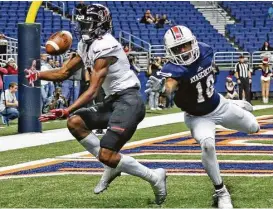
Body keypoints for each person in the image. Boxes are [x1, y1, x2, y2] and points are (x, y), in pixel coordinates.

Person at [25, 4, 166, 205]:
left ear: (100, 24)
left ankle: (154, 176)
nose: (82, 28)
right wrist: (37, 75)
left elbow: (92, 90)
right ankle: (111, 164)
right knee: (75, 123)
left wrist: (66, 109)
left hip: (129, 100)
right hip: (112, 101)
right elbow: (63, 72)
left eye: (87, 24)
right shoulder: (86, 44)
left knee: (106, 154)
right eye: (81, 23)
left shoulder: (105, 45)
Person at [145, 25, 260, 209]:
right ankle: (221, 192)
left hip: (219, 105)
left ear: (194, 42)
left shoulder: (205, 51)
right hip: (198, 117)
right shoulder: (173, 69)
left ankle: (235, 103)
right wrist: (163, 90)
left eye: (186, 45)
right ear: (170, 52)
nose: (183, 51)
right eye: (178, 48)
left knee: (254, 127)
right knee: (208, 144)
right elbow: (170, 86)